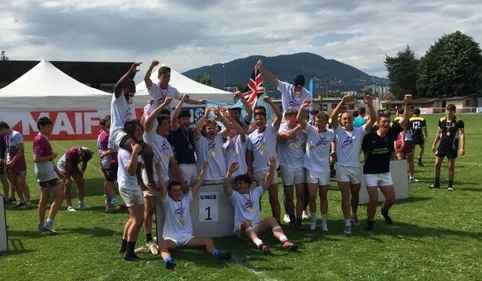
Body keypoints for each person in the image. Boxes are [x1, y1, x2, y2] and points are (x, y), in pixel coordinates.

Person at [158, 161, 231, 269]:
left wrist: (204, 170)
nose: (177, 193)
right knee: (162, 245)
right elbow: (162, 187)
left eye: (179, 190)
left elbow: (198, 184)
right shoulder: (167, 202)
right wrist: (158, 171)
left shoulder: (187, 199)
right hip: (172, 238)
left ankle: (217, 254)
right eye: (174, 191)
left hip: (187, 237)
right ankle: (168, 260)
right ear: (170, 193)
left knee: (208, 240)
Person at [139, 100, 186, 255]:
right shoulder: (150, 135)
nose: (168, 126)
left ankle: (166, 236)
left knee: (166, 209)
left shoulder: (166, 140)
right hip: (151, 181)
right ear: (158, 125)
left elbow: (173, 162)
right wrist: (162, 104)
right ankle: (148, 239)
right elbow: (148, 122)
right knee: (149, 209)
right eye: (166, 124)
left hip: (164, 181)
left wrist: (181, 181)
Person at [224, 157, 298, 254]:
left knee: (271, 219)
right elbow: (226, 187)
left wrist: (272, 167)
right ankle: (260, 245)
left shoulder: (255, 193)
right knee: (246, 222)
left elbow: (268, 181)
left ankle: (285, 241)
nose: (238, 186)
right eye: (237, 184)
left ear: (247, 184)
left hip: (256, 228)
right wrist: (229, 172)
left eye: (240, 184)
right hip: (241, 231)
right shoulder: (236, 196)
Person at [330, 94, 376, 234]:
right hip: (342, 168)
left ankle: (354, 213)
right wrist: (342, 101)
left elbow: (373, 119)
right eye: (344, 119)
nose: (347, 121)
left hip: (355, 167)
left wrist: (369, 104)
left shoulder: (359, 131)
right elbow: (332, 117)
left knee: (355, 195)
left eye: (349, 118)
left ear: (353, 119)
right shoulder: (337, 130)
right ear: (341, 121)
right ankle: (346, 222)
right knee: (345, 195)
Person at [362, 99, 410, 231]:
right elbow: (363, 153)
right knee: (373, 199)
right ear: (378, 123)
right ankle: (370, 222)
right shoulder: (369, 137)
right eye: (383, 122)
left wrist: (407, 104)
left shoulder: (391, 133)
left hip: (384, 172)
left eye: (388, 122)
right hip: (370, 172)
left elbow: (404, 119)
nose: (386, 124)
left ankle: (384, 211)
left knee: (391, 199)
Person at [109, 62, 155, 190]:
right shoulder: (118, 98)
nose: (133, 90)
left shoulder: (130, 102)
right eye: (130, 88)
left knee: (149, 151)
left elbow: (133, 121)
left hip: (129, 132)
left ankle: (150, 181)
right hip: (118, 132)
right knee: (136, 148)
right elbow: (118, 85)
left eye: (134, 88)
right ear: (124, 88)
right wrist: (131, 72)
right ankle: (140, 181)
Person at [298, 99, 335, 231]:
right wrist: (303, 106)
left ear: (326, 122)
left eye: (320, 121)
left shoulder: (331, 133)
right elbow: (300, 119)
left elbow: (334, 141)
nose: (317, 123)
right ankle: (314, 221)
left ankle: (324, 223)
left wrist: (333, 151)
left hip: (324, 169)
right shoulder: (311, 130)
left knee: (324, 196)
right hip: (311, 169)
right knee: (312, 196)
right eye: (316, 121)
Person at [247, 96, 283, 222]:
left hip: (270, 170)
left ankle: (277, 223)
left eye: (261, 119)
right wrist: (250, 170)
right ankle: (257, 222)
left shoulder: (271, 130)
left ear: (265, 119)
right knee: (257, 200)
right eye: (257, 119)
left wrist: (271, 102)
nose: (259, 121)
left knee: (273, 199)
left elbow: (279, 116)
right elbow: (249, 155)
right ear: (254, 121)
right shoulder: (250, 136)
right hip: (257, 172)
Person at [118, 121, 146, 261]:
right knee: (138, 219)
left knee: (132, 217)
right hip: (130, 187)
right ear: (130, 133)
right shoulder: (129, 150)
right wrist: (135, 153)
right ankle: (129, 252)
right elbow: (130, 170)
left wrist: (141, 183)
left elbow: (137, 170)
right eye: (137, 131)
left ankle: (124, 245)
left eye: (141, 130)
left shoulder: (134, 146)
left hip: (131, 186)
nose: (140, 132)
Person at [33, 117, 64, 233]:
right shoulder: (40, 139)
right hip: (46, 173)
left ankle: (40, 225)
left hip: (44, 173)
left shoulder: (43, 138)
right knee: (60, 196)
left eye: (50, 126)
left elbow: (48, 160)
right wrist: (52, 156)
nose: (50, 129)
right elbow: (37, 159)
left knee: (44, 199)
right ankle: (49, 223)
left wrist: (58, 171)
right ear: (41, 127)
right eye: (47, 126)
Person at [277, 109, 306, 230]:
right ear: (289, 117)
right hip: (287, 166)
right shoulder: (282, 127)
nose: (297, 119)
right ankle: (292, 218)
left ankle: (299, 221)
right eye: (295, 117)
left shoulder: (301, 130)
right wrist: (298, 128)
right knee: (289, 196)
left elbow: (304, 146)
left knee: (300, 195)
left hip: (299, 166)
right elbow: (285, 136)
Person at [429, 104, 465, 191]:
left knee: (450, 166)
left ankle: (450, 185)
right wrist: (434, 144)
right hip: (442, 146)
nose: (448, 112)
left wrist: (462, 147)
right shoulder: (441, 120)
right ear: (445, 111)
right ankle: (436, 183)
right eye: (447, 110)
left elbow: (462, 134)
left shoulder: (459, 121)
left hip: (452, 146)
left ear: (454, 111)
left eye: (451, 111)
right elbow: (438, 133)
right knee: (437, 165)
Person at [193, 107, 233, 182]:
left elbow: (229, 127)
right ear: (204, 130)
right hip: (205, 178)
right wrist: (206, 115)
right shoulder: (200, 140)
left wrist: (220, 116)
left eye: (213, 128)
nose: (212, 130)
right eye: (209, 128)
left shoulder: (219, 137)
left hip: (221, 177)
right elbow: (196, 128)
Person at [0, 121, 31, 209]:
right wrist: (6, 162)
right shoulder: (6, 137)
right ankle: (21, 200)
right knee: (15, 182)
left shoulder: (16, 134)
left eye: (1, 131)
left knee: (21, 181)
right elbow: (7, 150)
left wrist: (13, 161)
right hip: (10, 164)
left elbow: (21, 150)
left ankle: (27, 200)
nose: (1, 133)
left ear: (3, 129)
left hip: (19, 163)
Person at [169, 94, 198, 186]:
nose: (186, 121)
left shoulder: (191, 132)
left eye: (188, 119)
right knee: (184, 191)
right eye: (183, 119)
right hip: (183, 165)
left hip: (194, 164)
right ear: (178, 121)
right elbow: (174, 117)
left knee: (194, 191)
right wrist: (182, 100)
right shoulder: (176, 131)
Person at [57, 146, 93, 211]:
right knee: (68, 184)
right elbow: (66, 166)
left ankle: (81, 204)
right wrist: (67, 178)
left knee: (81, 181)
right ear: (80, 153)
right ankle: (69, 206)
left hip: (73, 165)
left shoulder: (87, 153)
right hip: (63, 166)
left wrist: (82, 173)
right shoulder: (71, 152)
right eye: (81, 159)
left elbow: (84, 163)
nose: (81, 160)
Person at [97, 115, 121, 212]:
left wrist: (102, 156)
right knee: (109, 183)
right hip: (110, 161)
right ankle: (110, 203)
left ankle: (112, 203)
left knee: (109, 183)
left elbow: (107, 150)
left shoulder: (105, 135)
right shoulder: (106, 135)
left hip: (110, 161)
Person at [223, 113, 248, 188]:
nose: (231, 129)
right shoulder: (223, 140)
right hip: (228, 175)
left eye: (233, 127)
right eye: (229, 127)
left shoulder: (240, 138)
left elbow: (242, 133)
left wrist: (231, 119)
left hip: (241, 174)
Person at [394, 109, 418, 182]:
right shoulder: (406, 120)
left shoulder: (396, 120)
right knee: (410, 161)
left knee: (400, 162)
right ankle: (411, 177)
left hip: (398, 141)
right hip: (407, 141)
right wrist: (403, 141)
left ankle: (402, 178)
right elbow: (403, 130)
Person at [0, 132, 12, 204]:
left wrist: (4, 159)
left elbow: (6, 148)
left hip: (2, 160)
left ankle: (6, 198)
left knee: (3, 179)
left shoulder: (2, 136)